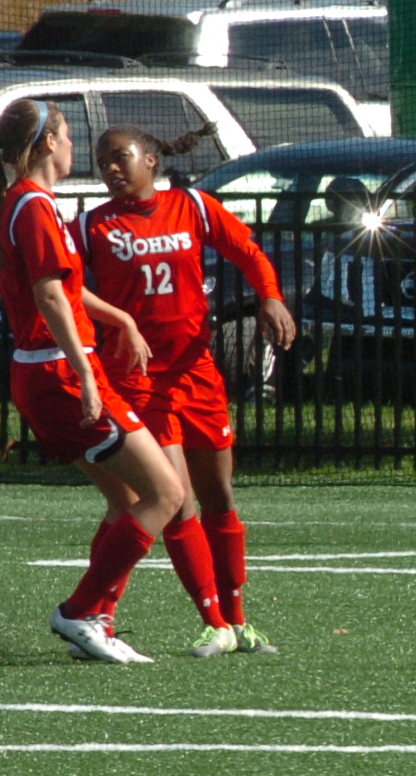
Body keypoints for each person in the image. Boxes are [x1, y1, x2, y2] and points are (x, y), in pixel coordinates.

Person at [79, 122, 297, 656]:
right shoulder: (91, 226)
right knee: (177, 499)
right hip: (140, 379)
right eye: (102, 161)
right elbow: (64, 287)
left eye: (120, 157)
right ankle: (212, 621)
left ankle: (238, 622)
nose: (110, 168)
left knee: (220, 494)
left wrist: (269, 295)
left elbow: (247, 251)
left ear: (150, 160)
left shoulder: (193, 206)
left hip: (196, 372)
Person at [0, 99, 188, 664]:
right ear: (49, 142)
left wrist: (119, 319)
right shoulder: (33, 206)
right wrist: (84, 374)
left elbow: (65, 290)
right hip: (59, 373)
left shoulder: (28, 203)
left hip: (47, 371)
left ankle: (94, 622)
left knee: (126, 499)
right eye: (69, 135)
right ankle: (79, 612)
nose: (75, 146)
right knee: (167, 493)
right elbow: (50, 297)